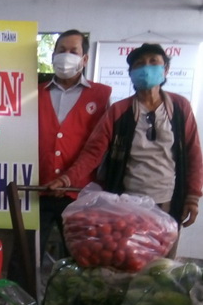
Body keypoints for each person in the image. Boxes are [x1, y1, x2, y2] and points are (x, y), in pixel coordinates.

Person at [48, 43, 203, 242]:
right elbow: (93, 152)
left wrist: (193, 197)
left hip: (169, 202)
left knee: (162, 258)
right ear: (131, 74)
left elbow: (193, 153)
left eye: (153, 62)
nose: (146, 68)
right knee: (129, 255)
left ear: (165, 70)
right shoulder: (119, 111)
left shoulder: (180, 107)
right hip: (127, 204)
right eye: (139, 64)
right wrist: (66, 179)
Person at [37, 30, 111, 261]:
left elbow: (98, 148)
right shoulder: (33, 92)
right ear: (53, 56)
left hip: (80, 193)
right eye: (61, 50)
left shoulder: (101, 96)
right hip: (36, 190)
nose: (66, 55)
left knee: (81, 259)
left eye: (73, 51)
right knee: (26, 257)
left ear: (84, 59)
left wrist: (68, 178)